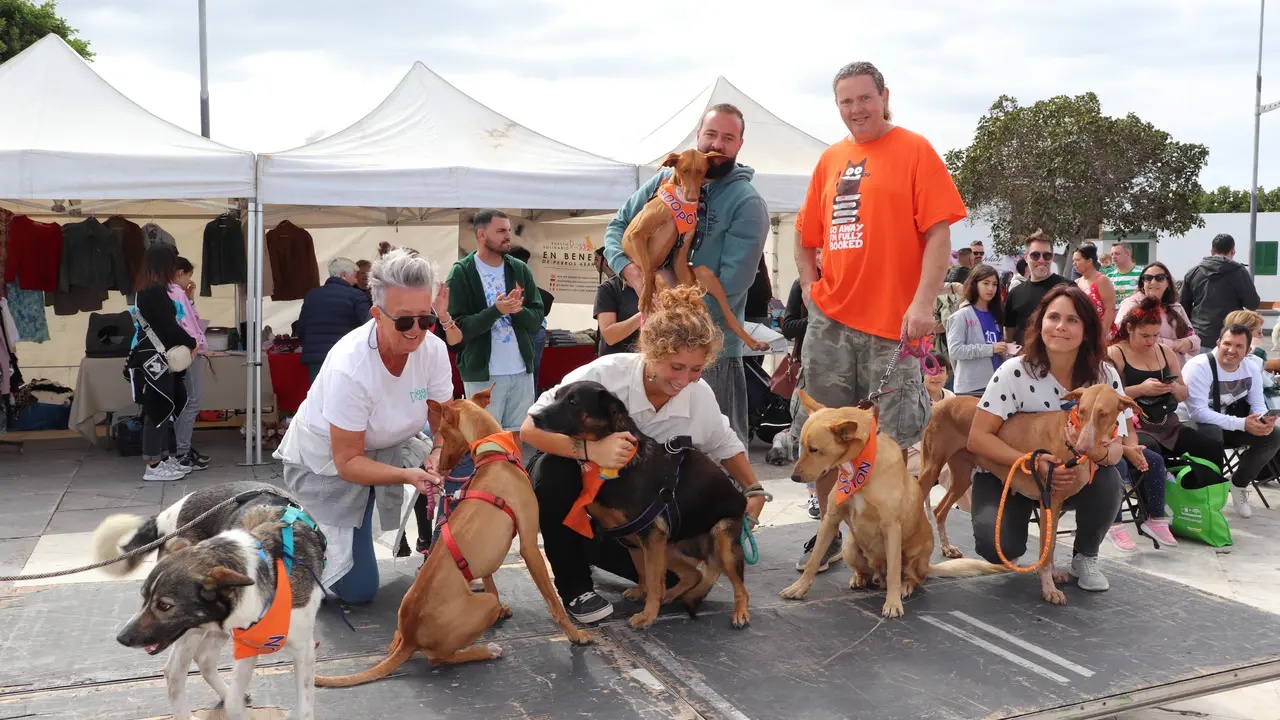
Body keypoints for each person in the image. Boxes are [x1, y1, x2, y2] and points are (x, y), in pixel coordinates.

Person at [793, 60, 968, 572]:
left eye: (864, 98)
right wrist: (809, 290)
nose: (856, 109)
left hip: (893, 326)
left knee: (888, 442)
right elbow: (805, 237)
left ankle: (893, 539)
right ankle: (829, 535)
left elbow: (939, 234)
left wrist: (922, 303)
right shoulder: (830, 159)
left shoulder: (915, 149)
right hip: (830, 323)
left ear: (884, 96)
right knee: (824, 433)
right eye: (846, 101)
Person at [521, 286, 770, 624]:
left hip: (627, 510)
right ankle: (575, 585)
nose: (684, 380)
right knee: (554, 472)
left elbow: (724, 443)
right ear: (651, 351)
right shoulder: (603, 375)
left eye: (696, 369)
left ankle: (590, 545)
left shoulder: (698, 395)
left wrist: (754, 490)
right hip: (574, 475)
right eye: (676, 366)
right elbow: (530, 429)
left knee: (673, 575)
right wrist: (590, 450)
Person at [275, 248, 451, 603]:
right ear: (376, 315)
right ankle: (293, 534)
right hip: (329, 464)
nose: (417, 331)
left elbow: (443, 421)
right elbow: (348, 462)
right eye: (404, 322)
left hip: (388, 447)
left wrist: (438, 451)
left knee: (464, 460)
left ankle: (445, 554)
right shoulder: (351, 366)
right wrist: (408, 476)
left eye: (425, 319)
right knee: (357, 592)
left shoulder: (433, 350)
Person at [604, 102, 770, 447]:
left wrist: (674, 306)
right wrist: (634, 274)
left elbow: (733, 283)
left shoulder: (746, 202)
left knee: (717, 450)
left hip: (710, 353)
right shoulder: (665, 180)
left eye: (728, 138)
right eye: (711, 134)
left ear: (739, 145)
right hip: (657, 349)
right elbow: (617, 229)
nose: (717, 144)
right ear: (698, 135)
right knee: (654, 449)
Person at [968, 285, 1131, 592]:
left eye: (1072, 320)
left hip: (1068, 478)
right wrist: (1029, 463)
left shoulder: (1105, 377)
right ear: (1040, 322)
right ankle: (1018, 526)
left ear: (1087, 329)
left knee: (1110, 477)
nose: (1061, 327)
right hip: (1007, 474)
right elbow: (977, 439)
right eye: (1053, 317)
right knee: (998, 548)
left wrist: (1097, 454)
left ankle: (1085, 556)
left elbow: (1117, 448)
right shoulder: (1013, 372)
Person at [1106, 297, 1220, 550]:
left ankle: (1204, 504)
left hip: (1167, 422)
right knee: (1150, 451)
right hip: (1136, 424)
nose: (1151, 341)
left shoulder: (1164, 351)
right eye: (1145, 335)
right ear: (1129, 329)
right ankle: (1150, 511)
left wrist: (1173, 388)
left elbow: (1183, 393)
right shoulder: (1116, 353)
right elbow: (1110, 395)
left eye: (1156, 335)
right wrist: (1141, 389)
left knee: (1210, 445)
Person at [446, 209, 544, 431]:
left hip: (521, 371)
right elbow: (458, 329)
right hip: (483, 375)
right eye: (500, 231)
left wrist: (518, 311)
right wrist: (496, 311)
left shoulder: (519, 268)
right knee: (487, 441)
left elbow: (537, 319)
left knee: (518, 436)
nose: (508, 236)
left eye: (509, 230)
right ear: (481, 235)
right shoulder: (462, 272)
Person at [1180, 324, 1280, 519]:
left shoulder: (1251, 368)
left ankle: (1239, 484)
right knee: (1212, 432)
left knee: (1273, 435)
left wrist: (1264, 420)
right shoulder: (1199, 366)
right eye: (1227, 343)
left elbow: (1258, 404)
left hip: (1228, 423)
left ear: (1248, 351)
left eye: (1238, 346)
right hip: (1190, 427)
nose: (1231, 350)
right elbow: (1198, 413)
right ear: (1218, 343)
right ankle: (1210, 491)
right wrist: (1242, 424)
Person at [127, 244, 198, 482]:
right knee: (157, 407)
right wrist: (191, 342)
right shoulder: (155, 291)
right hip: (155, 357)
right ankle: (154, 464)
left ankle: (164, 458)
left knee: (164, 407)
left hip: (152, 354)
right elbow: (169, 326)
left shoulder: (145, 289)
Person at [297, 257, 373, 383]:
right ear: (343, 275)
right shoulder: (356, 295)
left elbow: (301, 327)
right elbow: (368, 324)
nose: (356, 280)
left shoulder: (312, 294)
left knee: (319, 393)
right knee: (343, 393)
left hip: (315, 357)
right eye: (354, 275)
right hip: (343, 355)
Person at [1181, 233, 1261, 350]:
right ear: (1233, 251)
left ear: (1212, 251)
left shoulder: (1193, 272)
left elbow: (1183, 308)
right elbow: (1253, 304)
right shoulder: (1239, 272)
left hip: (1199, 337)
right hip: (1230, 339)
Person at [1115, 262, 1200, 365]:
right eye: (1148, 278)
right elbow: (1125, 335)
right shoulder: (1131, 305)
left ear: (1167, 283)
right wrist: (1174, 344)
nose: (1153, 282)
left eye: (1159, 278)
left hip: (1175, 368)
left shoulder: (1176, 307)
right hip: (1143, 367)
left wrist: (1189, 343)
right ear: (1142, 283)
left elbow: (1193, 337)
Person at [169, 256, 210, 472]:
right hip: (189, 352)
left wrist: (190, 299)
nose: (189, 281)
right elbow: (187, 323)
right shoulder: (175, 292)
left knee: (185, 401)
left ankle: (182, 448)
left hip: (183, 351)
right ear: (179, 273)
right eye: (188, 276)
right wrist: (196, 343)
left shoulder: (172, 292)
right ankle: (182, 451)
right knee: (192, 401)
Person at [946, 264, 1011, 395]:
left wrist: (1006, 349)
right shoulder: (961, 315)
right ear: (974, 284)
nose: (991, 288)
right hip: (971, 387)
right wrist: (991, 348)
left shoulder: (997, 314)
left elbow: (996, 346)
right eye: (986, 283)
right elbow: (955, 351)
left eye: (994, 284)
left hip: (997, 383)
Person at [1004, 230, 1067, 345]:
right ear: (1026, 257)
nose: (1041, 260)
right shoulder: (1015, 293)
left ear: (1052, 257)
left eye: (1047, 255)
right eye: (1035, 255)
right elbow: (1009, 332)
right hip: (1024, 355)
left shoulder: (1067, 288)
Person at [507, 244, 554, 385]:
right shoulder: (527, 281)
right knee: (530, 372)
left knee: (526, 372)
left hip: (530, 330)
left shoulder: (517, 281)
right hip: (535, 330)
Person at [594, 251, 641, 356]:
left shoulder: (658, 284)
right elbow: (609, 336)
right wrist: (645, 313)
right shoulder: (609, 288)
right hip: (617, 360)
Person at [1073, 244, 1116, 333]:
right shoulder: (1076, 282)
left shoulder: (1102, 280)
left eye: (1077, 260)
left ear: (1089, 261)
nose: (1074, 263)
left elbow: (1110, 309)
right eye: (1073, 260)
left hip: (1099, 333)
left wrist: (1103, 333)